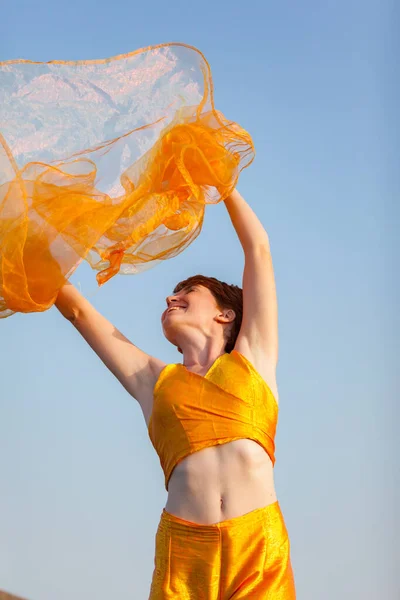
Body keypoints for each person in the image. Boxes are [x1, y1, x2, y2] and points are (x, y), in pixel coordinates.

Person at [55, 188, 296, 599]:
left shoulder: (253, 356)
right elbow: (77, 311)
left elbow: (257, 248)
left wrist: (226, 186)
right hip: (183, 554)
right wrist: (44, 260)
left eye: (188, 291)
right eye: (173, 293)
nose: (170, 297)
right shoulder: (153, 380)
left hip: (258, 549)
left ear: (226, 314)